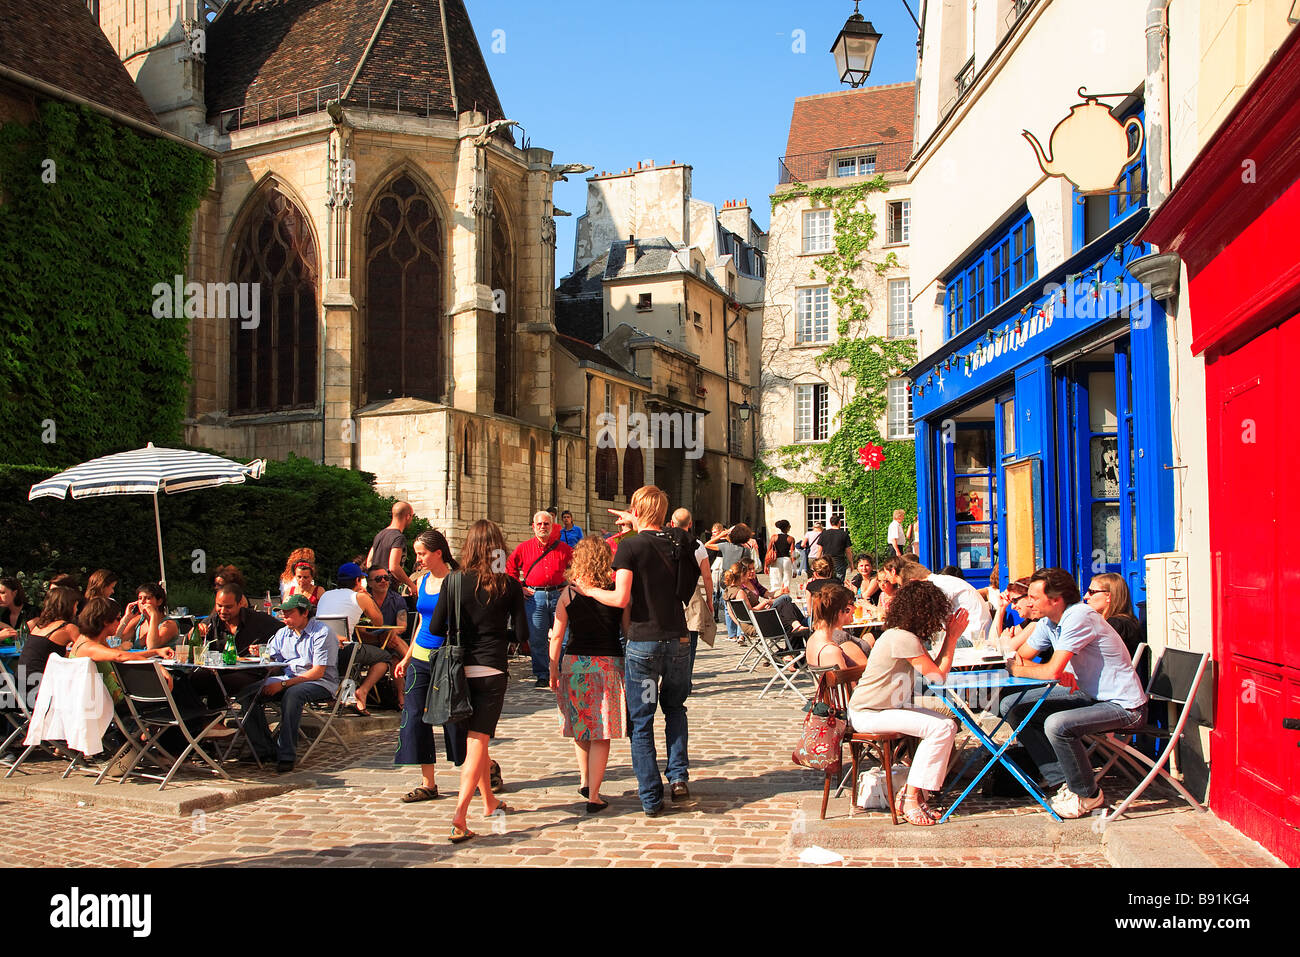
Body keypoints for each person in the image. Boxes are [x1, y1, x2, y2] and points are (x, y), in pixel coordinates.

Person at [573, 485, 697, 816]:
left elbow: (621, 599)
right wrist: (641, 517)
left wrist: (590, 590)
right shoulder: (679, 542)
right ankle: (678, 777)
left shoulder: (630, 548)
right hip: (679, 641)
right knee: (675, 709)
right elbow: (679, 534)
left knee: (641, 722)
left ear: (636, 511)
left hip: (644, 644)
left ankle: (651, 797)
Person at [1005, 568, 1148, 818]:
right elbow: (1022, 656)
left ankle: (1088, 794)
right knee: (1012, 706)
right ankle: (1063, 782)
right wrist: (1036, 668)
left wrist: (1030, 669)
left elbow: (1041, 670)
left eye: (1034, 597)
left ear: (1056, 599)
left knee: (1057, 724)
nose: (1028, 602)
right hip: (1090, 696)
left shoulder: (1078, 616)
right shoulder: (1049, 621)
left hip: (1124, 706)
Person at [426, 520, 525, 843]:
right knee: (477, 742)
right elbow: (523, 635)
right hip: (492, 668)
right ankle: (459, 815)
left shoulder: (453, 581)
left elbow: (437, 628)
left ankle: (489, 801)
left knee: (475, 739)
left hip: (458, 670)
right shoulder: (508, 584)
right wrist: (498, 634)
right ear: (499, 548)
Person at [847, 581, 969, 826]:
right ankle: (911, 797)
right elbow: (938, 676)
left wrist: (949, 638)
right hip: (870, 712)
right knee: (942, 728)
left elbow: (934, 671)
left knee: (947, 725)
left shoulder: (900, 635)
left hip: (885, 707)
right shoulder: (903, 638)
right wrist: (952, 637)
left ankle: (919, 794)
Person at [548, 536, 626, 813]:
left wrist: (552, 667)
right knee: (601, 730)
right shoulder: (615, 590)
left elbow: (557, 635)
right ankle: (594, 794)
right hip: (607, 663)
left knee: (580, 726)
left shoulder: (568, 593)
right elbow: (626, 630)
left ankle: (584, 780)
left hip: (575, 663)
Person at [393, 529, 458, 803]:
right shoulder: (423, 581)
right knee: (415, 715)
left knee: (454, 718)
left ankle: (483, 767)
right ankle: (428, 782)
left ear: (438, 553)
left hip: (446, 658)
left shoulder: (456, 581)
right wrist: (407, 656)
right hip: (420, 655)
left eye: (422, 554)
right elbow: (421, 620)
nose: (418, 559)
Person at [244, 594, 339, 772]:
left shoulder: (322, 633)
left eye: (289, 614)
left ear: (304, 613)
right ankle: (264, 749)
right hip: (288, 678)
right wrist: (261, 654)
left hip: (320, 682)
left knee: (293, 695)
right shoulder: (283, 633)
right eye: (283, 614)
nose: (284, 618)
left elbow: (318, 672)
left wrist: (282, 685)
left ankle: (286, 754)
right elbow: (274, 663)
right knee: (248, 693)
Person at [505, 510, 574, 689]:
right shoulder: (524, 548)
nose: (543, 527)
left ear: (552, 526)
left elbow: (577, 566)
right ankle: (543, 674)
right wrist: (519, 587)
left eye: (546, 524)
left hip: (559, 597)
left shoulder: (564, 549)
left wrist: (570, 585)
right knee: (537, 639)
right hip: (535, 598)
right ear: (533, 526)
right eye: (539, 524)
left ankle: (559, 671)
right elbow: (510, 567)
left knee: (564, 638)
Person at [317, 563, 391, 716]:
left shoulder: (325, 595)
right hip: (344, 651)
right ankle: (362, 691)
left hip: (321, 650)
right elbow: (378, 621)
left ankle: (338, 694)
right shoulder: (360, 597)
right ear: (358, 580)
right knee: (385, 658)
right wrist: (368, 597)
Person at [896, 561, 991, 647]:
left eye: (904, 587)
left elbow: (931, 622)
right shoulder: (944, 581)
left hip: (971, 639)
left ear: (913, 582)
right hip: (977, 635)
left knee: (911, 647)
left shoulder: (938, 587)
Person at [672, 508, 716, 671]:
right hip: (691, 593)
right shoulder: (698, 546)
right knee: (690, 639)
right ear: (690, 524)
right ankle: (686, 678)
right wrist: (710, 600)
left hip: (670, 594)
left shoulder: (664, 542)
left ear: (671, 523)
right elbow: (707, 576)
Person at [1084, 572, 1147, 685]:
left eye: (1091, 592)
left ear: (1109, 596)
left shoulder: (1116, 624)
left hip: (1110, 690)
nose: (1085, 596)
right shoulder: (1123, 622)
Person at [16, 585, 81, 689]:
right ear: (68, 606)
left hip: (21, 686)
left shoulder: (39, 626)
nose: (77, 610)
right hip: (40, 690)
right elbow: (86, 648)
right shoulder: (67, 628)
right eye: (76, 605)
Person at [804, 584, 871, 672]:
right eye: (847, 609)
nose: (853, 609)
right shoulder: (831, 650)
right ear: (839, 613)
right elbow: (846, 685)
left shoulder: (812, 640)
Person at [367, 502, 417, 595]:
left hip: (375, 588)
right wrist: (411, 585)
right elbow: (394, 567)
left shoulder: (380, 534)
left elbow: (369, 562)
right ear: (408, 516)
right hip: (388, 588)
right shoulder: (398, 538)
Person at [114, 583, 179, 650]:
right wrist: (126, 618)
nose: (142, 602)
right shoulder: (138, 620)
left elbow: (152, 646)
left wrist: (153, 616)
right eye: (140, 598)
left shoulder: (169, 624)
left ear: (159, 601)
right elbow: (114, 642)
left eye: (147, 598)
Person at [366, 563, 411, 658]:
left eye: (386, 578)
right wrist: (380, 638)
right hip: (368, 641)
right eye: (378, 579)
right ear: (369, 583)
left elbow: (402, 626)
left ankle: (409, 667)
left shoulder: (397, 599)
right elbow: (359, 631)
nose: (383, 581)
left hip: (391, 640)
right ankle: (412, 667)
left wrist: (389, 635)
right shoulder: (363, 599)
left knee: (394, 645)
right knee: (394, 640)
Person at [818, 516, 854, 582]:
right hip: (839, 561)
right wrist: (851, 563)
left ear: (830, 523)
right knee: (839, 581)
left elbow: (819, 550)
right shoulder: (844, 534)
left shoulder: (824, 533)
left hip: (826, 561)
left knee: (827, 581)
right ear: (839, 522)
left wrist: (817, 561)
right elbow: (848, 551)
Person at [766, 520, 796, 593]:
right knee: (786, 581)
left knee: (775, 581)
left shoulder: (774, 537)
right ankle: (785, 596)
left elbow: (768, 552)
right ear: (787, 527)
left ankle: (775, 595)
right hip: (786, 560)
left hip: (776, 560)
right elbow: (793, 554)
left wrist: (766, 565)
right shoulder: (791, 539)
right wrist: (795, 568)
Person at [0, 577, 32, 642]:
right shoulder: (5, 614)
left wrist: (5, 626)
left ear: (14, 593)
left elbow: (25, 637)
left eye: (2, 593)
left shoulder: (31, 612)